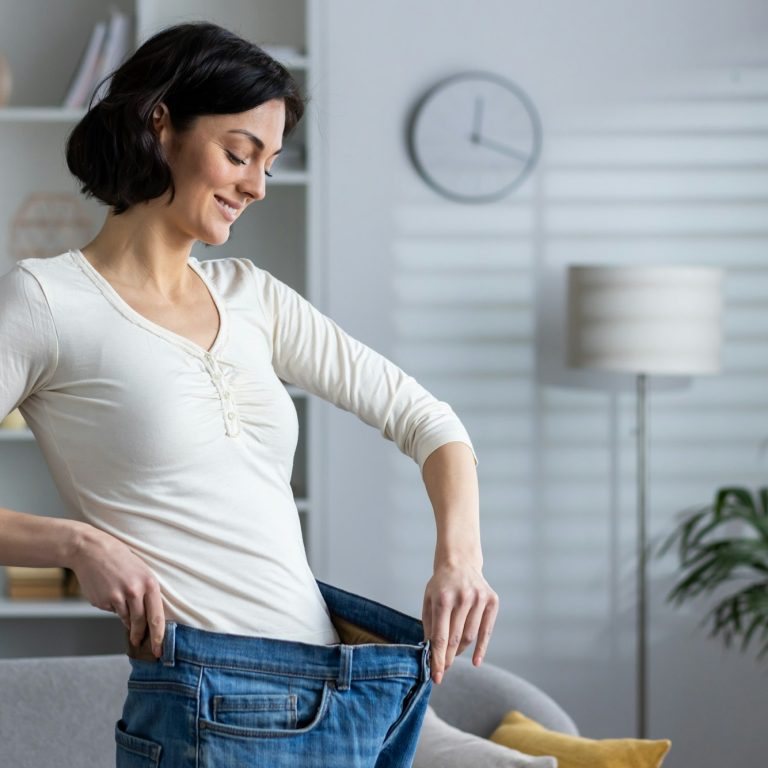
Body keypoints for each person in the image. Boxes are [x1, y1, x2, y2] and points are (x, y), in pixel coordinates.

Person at [0, 21, 498, 767]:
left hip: (342, 694)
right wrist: (78, 545)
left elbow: (429, 421)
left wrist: (461, 560)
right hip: (205, 704)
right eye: (239, 154)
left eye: (269, 164)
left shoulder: (252, 297)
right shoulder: (47, 300)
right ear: (159, 124)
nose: (257, 187)